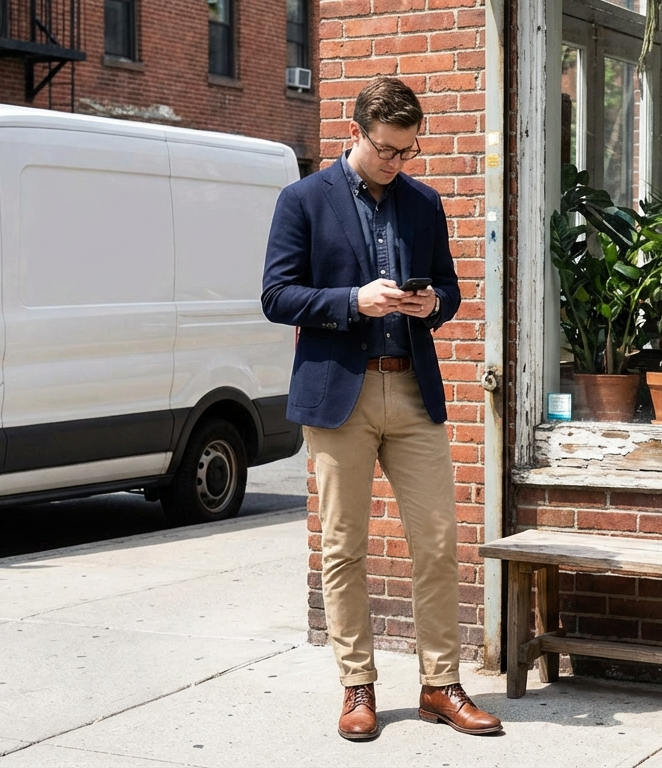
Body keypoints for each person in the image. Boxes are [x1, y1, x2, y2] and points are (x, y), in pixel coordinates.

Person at [261, 76, 502, 741]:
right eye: (389, 149)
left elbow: (449, 287)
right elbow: (277, 296)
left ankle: (440, 684)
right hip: (341, 391)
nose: (398, 162)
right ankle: (357, 687)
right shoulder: (303, 199)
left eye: (407, 150)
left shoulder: (423, 203)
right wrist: (349, 302)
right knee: (344, 545)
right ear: (358, 133)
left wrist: (435, 306)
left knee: (438, 540)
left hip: (412, 387)